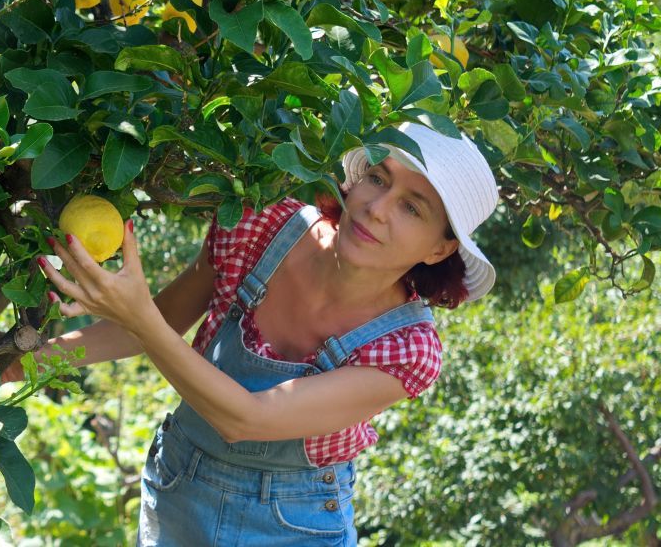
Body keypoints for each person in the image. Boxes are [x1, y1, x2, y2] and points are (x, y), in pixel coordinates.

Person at [25, 121, 500, 546]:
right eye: (378, 178)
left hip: (294, 525)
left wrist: (137, 315)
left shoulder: (405, 349)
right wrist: (21, 362)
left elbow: (245, 419)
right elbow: (161, 320)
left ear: (440, 249)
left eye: (412, 208)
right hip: (178, 490)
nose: (377, 209)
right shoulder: (262, 227)